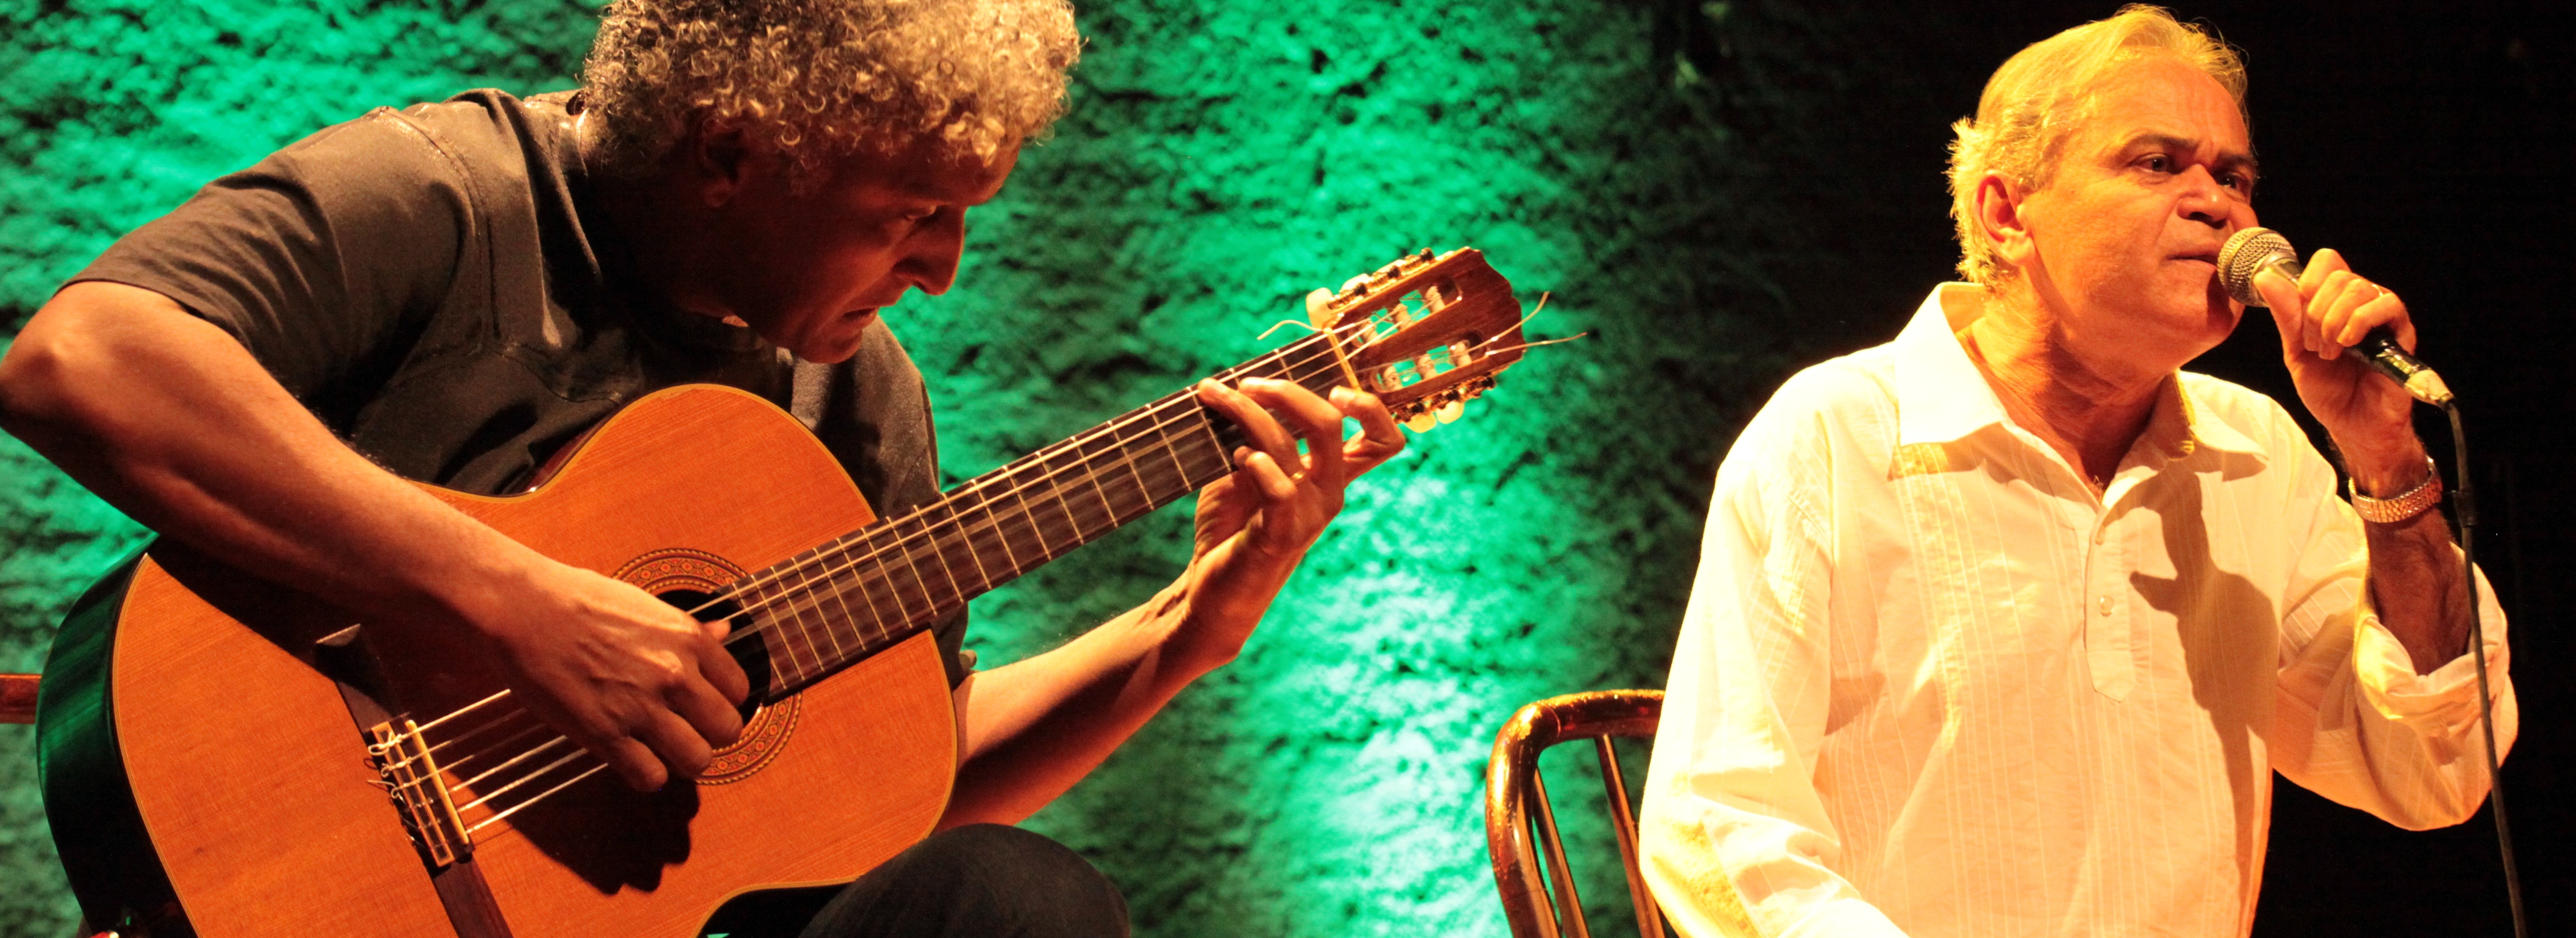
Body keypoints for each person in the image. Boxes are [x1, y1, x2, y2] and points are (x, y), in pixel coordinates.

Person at [0, 1, 1405, 935]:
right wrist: (517, 605)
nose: (943, 266)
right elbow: (80, 361)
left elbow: (903, 779)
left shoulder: (856, 396)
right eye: (912, 212)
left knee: (1012, 903)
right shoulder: (449, 198)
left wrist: (1182, 630)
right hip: (310, 872)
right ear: (734, 150)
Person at [1636, 7, 2514, 937]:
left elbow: (2433, 764)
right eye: (2157, 163)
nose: (2218, 204)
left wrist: (2386, 459)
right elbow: (1719, 818)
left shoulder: (2258, 457)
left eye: (2235, 176)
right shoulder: (1834, 438)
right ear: (2008, 213)